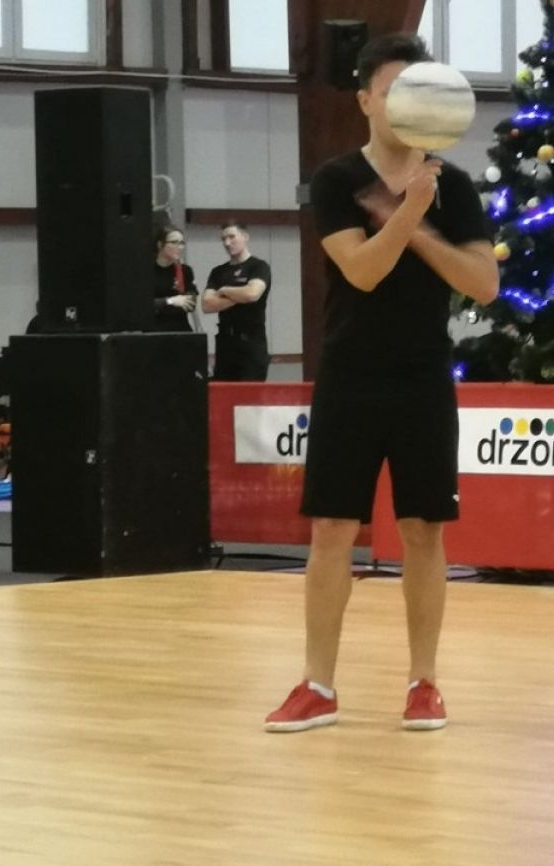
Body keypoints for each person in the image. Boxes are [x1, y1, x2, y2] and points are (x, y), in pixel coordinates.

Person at [264, 33, 499, 734]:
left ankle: (425, 684)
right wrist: (407, 213)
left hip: (424, 374)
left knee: (423, 529)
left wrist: (417, 220)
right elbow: (363, 271)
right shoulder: (336, 180)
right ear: (367, 100)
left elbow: (483, 283)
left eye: (415, 91)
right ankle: (318, 685)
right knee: (332, 528)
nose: (403, 105)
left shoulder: (453, 186)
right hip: (350, 372)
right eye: (392, 92)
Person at [201, 222, 272, 380]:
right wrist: (240, 294)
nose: (227, 243)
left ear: (245, 237)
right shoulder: (218, 272)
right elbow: (207, 305)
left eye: (232, 237)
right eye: (223, 239)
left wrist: (224, 290)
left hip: (251, 342)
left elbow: (252, 294)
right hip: (225, 343)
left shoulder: (259, 267)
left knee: (249, 392)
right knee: (223, 391)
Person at [152, 224, 198, 332]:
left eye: (181, 243)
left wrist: (159, 305)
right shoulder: (145, 271)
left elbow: (190, 304)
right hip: (153, 330)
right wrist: (171, 301)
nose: (180, 247)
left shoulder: (185, 270)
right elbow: (142, 306)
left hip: (180, 329)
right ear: (160, 245)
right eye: (174, 242)